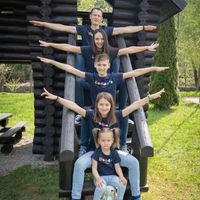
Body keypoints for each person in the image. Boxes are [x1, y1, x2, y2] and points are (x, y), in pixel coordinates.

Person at [41, 89, 165, 200]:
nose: (104, 107)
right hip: (94, 152)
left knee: (134, 162)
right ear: (97, 105)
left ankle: (136, 195)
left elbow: (134, 106)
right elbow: (73, 106)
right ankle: (75, 197)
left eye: (107, 104)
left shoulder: (117, 115)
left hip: (113, 152)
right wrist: (57, 98)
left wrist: (150, 97)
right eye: (101, 104)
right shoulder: (91, 115)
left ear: (111, 106)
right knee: (79, 164)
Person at [38, 53, 168, 154]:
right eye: (99, 65)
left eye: (104, 65)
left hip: (110, 110)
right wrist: (52, 62)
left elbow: (135, 72)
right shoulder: (92, 77)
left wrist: (154, 68)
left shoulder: (114, 77)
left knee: (124, 116)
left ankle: (122, 145)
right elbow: (71, 69)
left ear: (109, 66)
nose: (101, 67)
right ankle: (84, 146)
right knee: (85, 116)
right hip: (96, 110)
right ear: (95, 65)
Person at [30, 7, 157, 46]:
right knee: (78, 62)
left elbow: (126, 29)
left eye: (98, 16)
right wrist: (43, 23)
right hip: (86, 58)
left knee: (117, 60)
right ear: (90, 17)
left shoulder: (106, 30)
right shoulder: (83, 29)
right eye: (94, 15)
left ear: (101, 19)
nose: (96, 17)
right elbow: (62, 27)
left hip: (102, 61)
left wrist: (143, 28)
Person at [91, 128, 127, 200]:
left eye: (108, 140)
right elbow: (94, 168)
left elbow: (117, 167)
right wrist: (98, 178)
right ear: (99, 141)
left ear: (112, 141)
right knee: (101, 187)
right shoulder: (97, 153)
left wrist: (121, 176)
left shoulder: (114, 153)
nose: (106, 143)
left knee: (122, 184)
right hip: (100, 177)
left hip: (112, 176)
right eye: (103, 140)